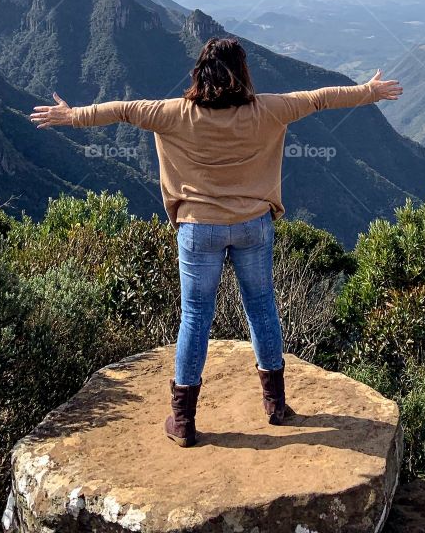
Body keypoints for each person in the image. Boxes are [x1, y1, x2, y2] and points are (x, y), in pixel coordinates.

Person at [30, 36, 402, 447]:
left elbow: (121, 110)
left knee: (195, 317)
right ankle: (275, 405)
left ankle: (184, 421)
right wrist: (369, 92)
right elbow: (318, 98)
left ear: (199, 74)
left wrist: (71, 116)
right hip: (252, 225)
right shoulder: (269, 111)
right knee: (261, 307)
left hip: (198, 229)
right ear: (243, 73)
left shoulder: (173, 114)